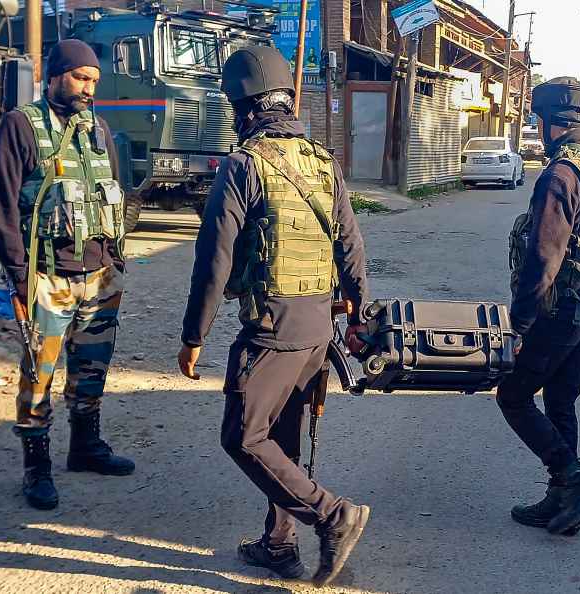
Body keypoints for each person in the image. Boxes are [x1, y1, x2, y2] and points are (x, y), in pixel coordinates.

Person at [177, 46, 370, 586]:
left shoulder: (242, 165)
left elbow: (213, 258)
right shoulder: (322, 162)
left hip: (272, 329)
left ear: (241, 107)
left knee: (242, 436)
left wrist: (194, 335)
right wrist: (358, 313)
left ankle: (334, 516)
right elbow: (351, 245)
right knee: (281, 436)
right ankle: (279, 545)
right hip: (316, 328)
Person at [0, 39, 134, 511]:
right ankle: (37, 468)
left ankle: (85, 449)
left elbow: (113, 190)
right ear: (56, 75)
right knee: (39, 375)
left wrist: (113, 259)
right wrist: (18, 277)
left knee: (92, 369)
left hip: (99, 275)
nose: (88, 89)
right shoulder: (20, 126)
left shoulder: (99, 128)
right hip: (46, 276)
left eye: (94, 80)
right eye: (80, 78)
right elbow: (3, 209)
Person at [500, 77, 580, 536]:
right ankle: (565, 506)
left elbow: (543, 258)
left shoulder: (560, 175)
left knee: (513, 396)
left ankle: (574, 480)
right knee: (559, 400)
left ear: (547, 123)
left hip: (560, 311)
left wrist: (519, 325)